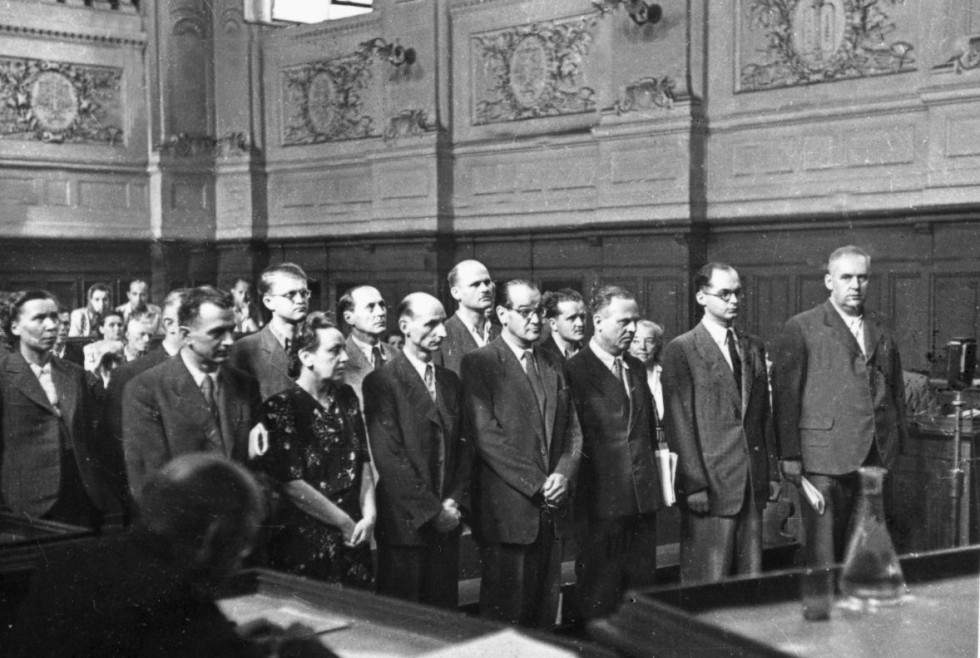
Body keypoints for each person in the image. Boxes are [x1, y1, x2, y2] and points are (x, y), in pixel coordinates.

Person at [8, 453, 335, 658]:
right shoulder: (185, 610)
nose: (241, 559)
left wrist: (233, 640)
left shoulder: (68, 562)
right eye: (243, 542)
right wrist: (303, 649)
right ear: (213, 538)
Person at [771, 246, 908, 568]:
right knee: (823, 553)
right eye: (846, 277)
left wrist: (898, 441)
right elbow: (786, 396)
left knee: (866, 552)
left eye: (863, 278)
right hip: (823, 458)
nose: (855, 285)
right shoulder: (802, 326)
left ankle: (857, 615)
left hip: (875, 454)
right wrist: (789, 455)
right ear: (829, 281)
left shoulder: (881, 325)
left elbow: (895, 387)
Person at [460, 280, 582, 628]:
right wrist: (539, 484)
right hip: (509, 511)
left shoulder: (552, 363)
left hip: (552, 508)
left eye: (540, 312)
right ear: (501, 314)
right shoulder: (479, 362)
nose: (536, 320)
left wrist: (564, 473)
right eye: (525, 312)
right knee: (506, 619)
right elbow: (487, 437)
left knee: (544, 615)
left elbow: (573, 428)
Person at [661, 263, 778, 584]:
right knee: (706, 584)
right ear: (701, 297)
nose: (734, 300)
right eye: (724, 293)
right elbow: (679, 425)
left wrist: (770, 472)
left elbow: (761, 415)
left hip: (751, 482)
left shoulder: (753, 346)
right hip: (709, 486)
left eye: (738, 292)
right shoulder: (681, 349)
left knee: (748, 584)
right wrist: (694, 483)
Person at [363, 293, 471, 609]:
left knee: (442, 620)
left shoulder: (451, 381)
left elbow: (465, 449)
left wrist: (453, 502)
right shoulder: (382, 381)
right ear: (405, 326)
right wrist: (433, 512)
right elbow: (389, 457)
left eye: (443, 323)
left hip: (447, 522)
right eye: (432, 324)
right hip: (406, 525)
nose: (442, 332)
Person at [254, 312, 376, 587]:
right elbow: (292, 483)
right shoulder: (280, 407)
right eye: (334, 350)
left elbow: (364, 461)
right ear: (306, 357)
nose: (345, 358)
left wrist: (369, 516)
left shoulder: (346, 397)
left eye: (344, 349)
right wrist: (344, 523)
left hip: (356, 533)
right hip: (306, 538)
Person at [565, 286, 662, 620]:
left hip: (641, 501)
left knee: (641, 599)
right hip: (599, 506)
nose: (633, 329)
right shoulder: (574, 371)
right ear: (598, 321)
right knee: (600, 598)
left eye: (636, 321)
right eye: (624, 321)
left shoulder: (635, 367)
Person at [123, 286, 262, 496]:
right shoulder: (146, 389)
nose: (229, 341)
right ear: (186, 335)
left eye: (231, 330)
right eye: (217, 333)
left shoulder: (245, 384)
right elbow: (150, 483)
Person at [0, 290, 117, 529]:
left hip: (82, 495)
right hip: (27, 504)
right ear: (14, 327)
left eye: (55, 317)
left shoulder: (75, 374)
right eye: (40, 318)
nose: (52, 326)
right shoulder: (3, 374)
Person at [102, 289, 189, 520]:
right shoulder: (130, 374)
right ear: (171, 324)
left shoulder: (219, 373)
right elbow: (115, 446)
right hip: (152, 505)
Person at [229, 263, 310, 402]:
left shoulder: (317, 345)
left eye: (304, 293)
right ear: (268, 302)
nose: (300, 300)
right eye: (290, 294)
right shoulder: (244, 349)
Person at [435, 260, 499, 374]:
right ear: (456, 293)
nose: (485, 289)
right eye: (475, 284)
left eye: (487, 282)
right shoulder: (441, 337)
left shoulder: (503, 333)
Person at [338, 285, 397, 406]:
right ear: (349, 318)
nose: (380, 312)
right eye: (370, 307)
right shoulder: (339, 359)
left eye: (382, 305)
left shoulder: (398, 355)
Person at [629, 319, 666, 422]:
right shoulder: (623, 375)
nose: (642, 347)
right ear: (628, 345)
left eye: (649, 341)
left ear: (657, 345)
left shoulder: (667, 375)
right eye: (636, 341)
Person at [540, 288, 586, 361]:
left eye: (582, 317)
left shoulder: (589, 354)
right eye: (572, 318)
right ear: (553, 324)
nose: (580, 323)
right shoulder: (541, 357)